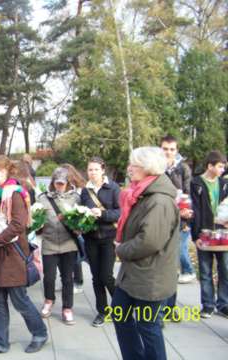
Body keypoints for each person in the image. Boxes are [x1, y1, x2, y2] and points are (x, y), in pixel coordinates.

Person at [0, 155, 48, 355]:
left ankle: (39, 333)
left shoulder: (14, 194)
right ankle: (0, 343)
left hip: (12, 256)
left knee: (20, 300)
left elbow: (17, 226)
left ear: (3, 172)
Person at [112, 147, 179, 360]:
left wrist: (121, 249)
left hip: (150, 274)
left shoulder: (158, 200)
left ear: (148, 168)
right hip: (136, 272)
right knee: (119, 313)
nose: (129, 168)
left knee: (148, 326)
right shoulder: (142, 193)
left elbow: (149, 241)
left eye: (134, 165)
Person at [38, 167, 83, 325]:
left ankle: (67, 308)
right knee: (49, 278)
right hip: (49, 242)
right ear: (52, 182)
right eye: (57, 183)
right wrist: (36, 225)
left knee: (67, 279)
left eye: (62, 183)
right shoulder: (43, 198)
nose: (59, 186)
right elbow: (37, 218)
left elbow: (81, 219)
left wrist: (79, 227)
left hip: (68, 244)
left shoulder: (76, 198)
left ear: (68, 183)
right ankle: (49, 300)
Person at [80, 157, 120, 327]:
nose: (93, 173)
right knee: (96, 278)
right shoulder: (85, 191)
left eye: (96, 169)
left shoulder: (113, 188)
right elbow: (81, 211)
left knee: (107, 276)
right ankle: (102, 311)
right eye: (90, 170)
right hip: (90, 238)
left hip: (109, 237)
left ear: (103, 170)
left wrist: (102, 214)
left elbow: (120, 212)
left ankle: (120, 308)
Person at [191, 150, 228, 319]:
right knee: (205, 270)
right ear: (210, 166)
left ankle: (223, 303)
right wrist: (196, 236)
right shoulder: (196, 183)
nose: (223, 169)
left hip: (223, 234)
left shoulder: (224, 184)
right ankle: (207, 305)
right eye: (220, 166)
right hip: (204, 234)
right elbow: (194, 211)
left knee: (225, 269)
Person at [161, 135, 195, 284]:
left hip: (181, 214)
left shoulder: (183, 168)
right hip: (162, 213)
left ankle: (188, 270)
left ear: (176, 150)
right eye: (165, 149)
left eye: (172, 149)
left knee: (179, 246)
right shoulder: (157, 167)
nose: (168, 152)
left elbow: (187, 192)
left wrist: (186, 213)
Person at [62, 163, 85, 294]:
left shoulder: (79, 189)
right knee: (65, 256)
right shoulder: (62, 188)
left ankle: (78, 282)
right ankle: (67, 280)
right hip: (63, 227)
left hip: (75, 227)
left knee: (75, 257)